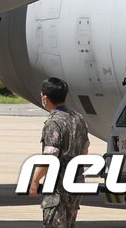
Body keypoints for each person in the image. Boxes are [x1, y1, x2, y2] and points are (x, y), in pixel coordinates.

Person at [27, 76, 90, 228]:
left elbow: (50, 159)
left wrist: (35, 181)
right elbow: (84, 150)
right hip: (75, 182)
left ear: (45, 98)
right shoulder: (78, 119)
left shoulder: (53, 123)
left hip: (58, 186)